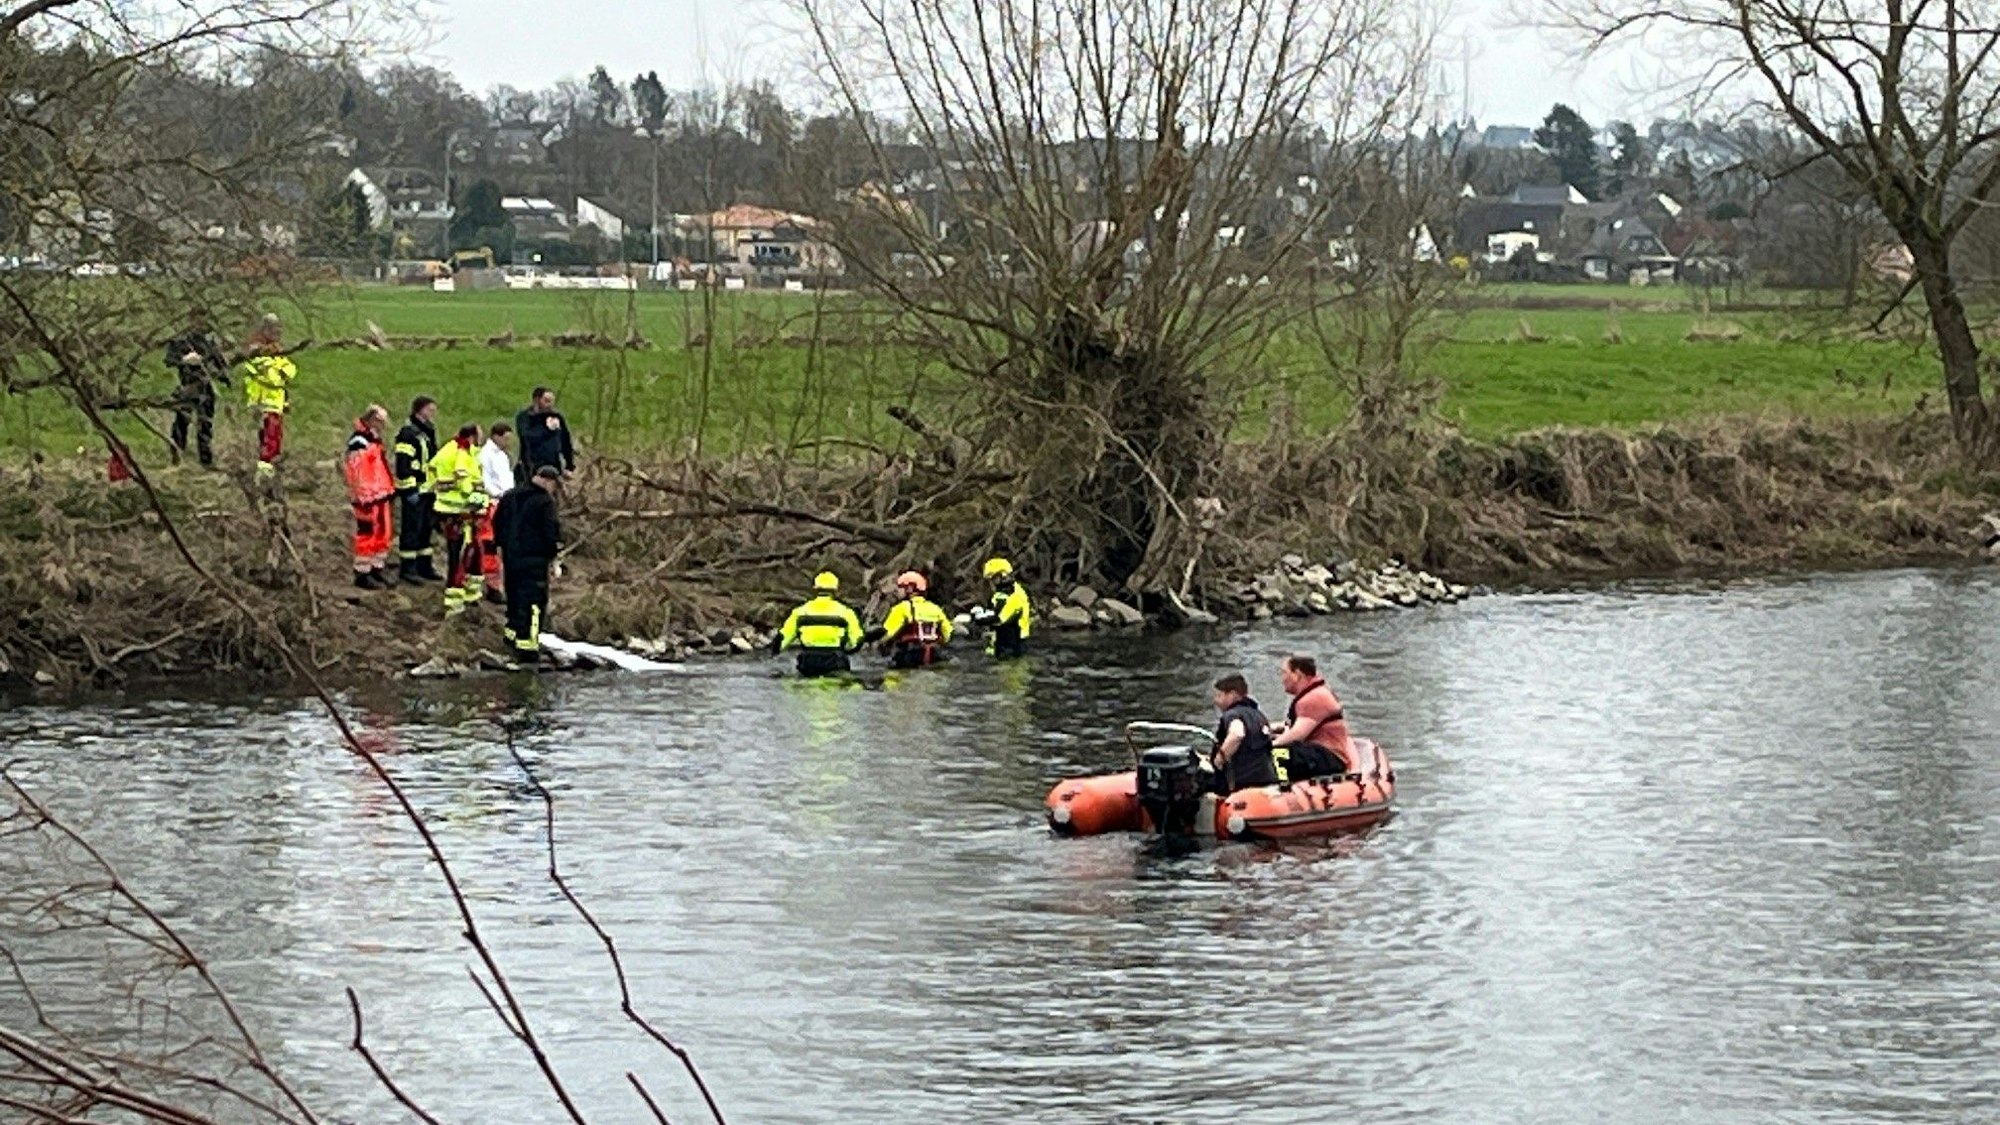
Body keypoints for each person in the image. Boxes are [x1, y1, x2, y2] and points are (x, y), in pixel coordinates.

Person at [495, 466, 562, 663]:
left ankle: (511, 635)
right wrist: (554, 557)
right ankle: (528, 647)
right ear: (549, 481)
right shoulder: (544, 502)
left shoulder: (510, 496)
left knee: (514, 596)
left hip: (511, 557)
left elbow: (498, 522)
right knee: (533, 603)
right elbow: (550, 532)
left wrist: (501, 545)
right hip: (534, 559)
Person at [428, 422, 488, 616]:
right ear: (472, 436)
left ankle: (469, 596)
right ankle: (455, 602)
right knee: (461, 556)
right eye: (479, 434)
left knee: (471, 553)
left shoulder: (455, 448)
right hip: (459, 512)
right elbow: (464, 481)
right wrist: (476, 498)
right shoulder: (461, 452)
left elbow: (433, 470)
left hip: (456, 511)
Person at [1269, 654, 1353, 784]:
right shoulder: (1316, 692)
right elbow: (1298, 724)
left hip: (1328, 757)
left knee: (1276, 753)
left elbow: (1298, 734)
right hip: (1322, 754)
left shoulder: (1314, 698)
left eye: (1284, 673)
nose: (1282, 679)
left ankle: (1281, 785)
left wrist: (1269, 745)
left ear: (1297, 674)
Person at [342, 405, 396, 589]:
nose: (383, 426)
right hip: (367, 496)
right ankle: (363, 572)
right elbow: (357, 471)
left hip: (379, 493)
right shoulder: (359, 441)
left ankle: (376, 568)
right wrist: (362, 494)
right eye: (381, 421)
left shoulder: (373, 439)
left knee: (382, 534)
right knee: (367, 534)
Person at [164, 316, 227, 468]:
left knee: (205, 423)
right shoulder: (181, 340)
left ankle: (206, 460)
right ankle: (177, 456)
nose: (201, 324)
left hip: (205, 387)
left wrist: (220, 374)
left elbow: (220, 364)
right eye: (198, 320)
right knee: (182, 422)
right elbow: (169, 360)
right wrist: (184, 360)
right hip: (187, 386)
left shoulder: (209, 341)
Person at [778, 571, 865, 678]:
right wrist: (848, 651)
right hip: (835, 661)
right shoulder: (847, 612)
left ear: (815, 589)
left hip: (808, 663)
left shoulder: (799, 612)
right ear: (835, 590)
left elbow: (782, 641)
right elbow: (857, 641)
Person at [239, 314, 295, 477]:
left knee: (276, 435)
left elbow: (290, 371)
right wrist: (277, 365)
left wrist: (280, 366)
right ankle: (264, 466)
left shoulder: (277, 351)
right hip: (263, 400)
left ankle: (272, 464)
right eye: (273, 329)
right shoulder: (255, 352)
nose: (277, 333)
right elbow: (271, 376)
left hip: (277, 401)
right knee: (268, 435)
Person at [393, 397, 442, 584]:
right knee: (411, 530)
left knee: (425, 530)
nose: (432, 413)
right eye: (429, 409)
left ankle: (424, 565)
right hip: (414, 490)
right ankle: (408, 568)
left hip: (427, 490)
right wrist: (409, 489)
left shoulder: (427, 431)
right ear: (419, 410)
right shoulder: (408, 433)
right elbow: (403, 463)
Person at [1210, 673, 1279, 793]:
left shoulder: (1232, 714)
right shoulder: (1258, 715)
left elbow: (1237, 734)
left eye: (1219, 695)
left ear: (1232, 695)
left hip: (1243, 784)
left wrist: (1218, 761)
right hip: (1267, 779)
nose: (1216, 701)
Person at [878, 571, 953, 669]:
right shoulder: (936, 609)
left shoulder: (901, 608)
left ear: (910, 588)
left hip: (910, 657)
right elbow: (947, 635)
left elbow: (887, 634)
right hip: (935, 656)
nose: (896, 591)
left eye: (900, 587)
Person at [477, 422, 515, 604]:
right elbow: (485, 480)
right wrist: (498, 494)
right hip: (493, 503)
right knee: (489, 544)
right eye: (506, 438)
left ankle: (498, 583)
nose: (508, 443)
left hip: (504, 502)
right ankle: (491, 585)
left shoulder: (502, 456)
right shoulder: (486, 455)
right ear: (496, 436)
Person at [514, 386, 576, 482]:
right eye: (546, 401)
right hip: (531, 465)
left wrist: (569, 466)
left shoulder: (556, 417)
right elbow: (526, 436)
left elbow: (565, 441)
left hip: (553, 465)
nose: (550, 405)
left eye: (552, 401)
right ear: (536, 400)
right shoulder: (525, 417)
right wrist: (547, 430)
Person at [982, 557, 1032, 659]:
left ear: (1003, 576)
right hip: (1002, 642)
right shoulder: (1000, 594)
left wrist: (977, 618)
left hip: (1014, 645)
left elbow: (1000, 619)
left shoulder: (1016, 595)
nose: (992, 582)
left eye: (993, 578)